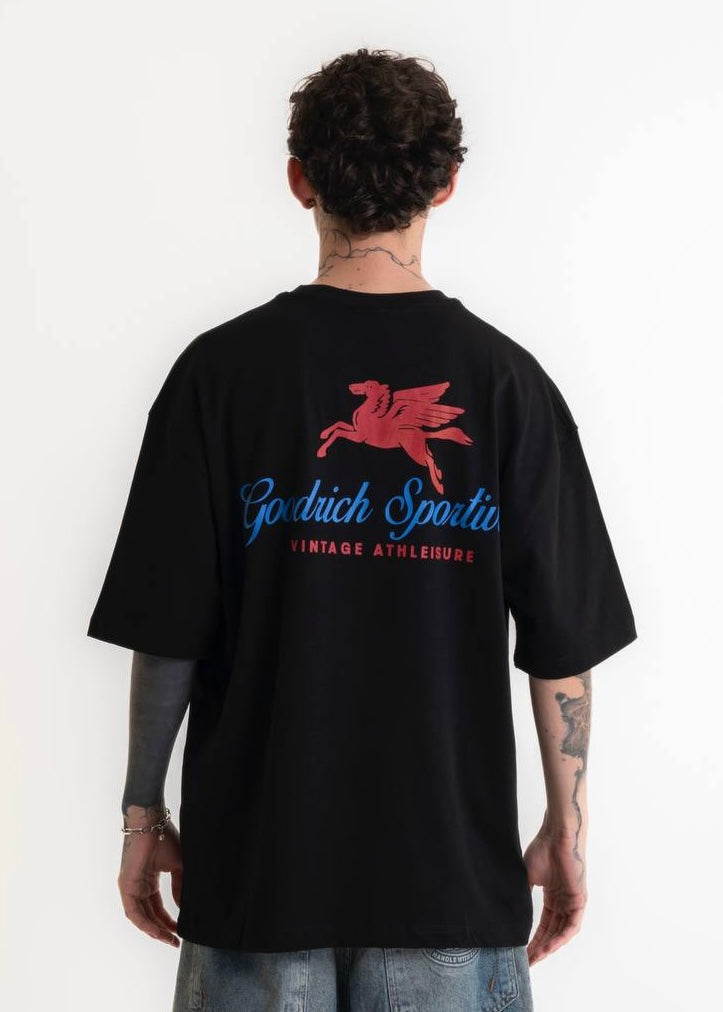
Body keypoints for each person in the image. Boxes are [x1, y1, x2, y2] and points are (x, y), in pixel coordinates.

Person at [87, 47, 637, 1012]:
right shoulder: (509, 384)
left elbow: (168, 635)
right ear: (446, 183)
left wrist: (143, 815)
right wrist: (569, 829)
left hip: (258, 879)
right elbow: (562, 650)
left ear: (299, 179)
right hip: (448, 885)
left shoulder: (220, 376)